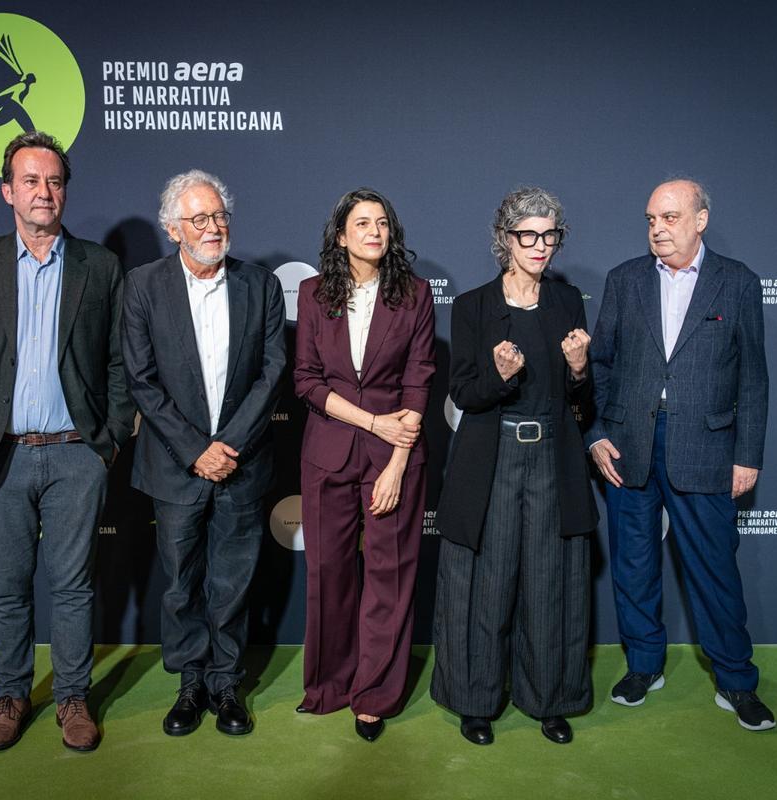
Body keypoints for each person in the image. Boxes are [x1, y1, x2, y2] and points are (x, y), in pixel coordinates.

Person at [0, 130, 134, 752]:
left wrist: (105, 446)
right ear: (7, 192)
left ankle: (73, 699)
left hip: (77, 453)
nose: (43, 191)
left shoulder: (100, 267)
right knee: (8, 586)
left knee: (74, 585)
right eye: (30, 180)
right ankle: (11, 696)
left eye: (53, 181)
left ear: (64, 191)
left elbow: (117, 364)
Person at [587, 179, 775, 731]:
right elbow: (598, 365)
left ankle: (737, 680)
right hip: (629, 446)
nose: (658, 229)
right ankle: (644, 666)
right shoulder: (625, 280)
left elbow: (754, 379)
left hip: (707, 446)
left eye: (669, 218)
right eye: (650, 219)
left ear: (701, 220)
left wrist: (748, 455)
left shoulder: (737, 282)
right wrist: (597, 433)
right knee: (633, 565)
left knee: (715, 570)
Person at [123, 170, 285, 737]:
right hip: (174, 466)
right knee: (180, 584)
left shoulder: (260, 285)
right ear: (174, 229)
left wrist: (230, 445)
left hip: (242, 464)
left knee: (233, 582)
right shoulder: (143, 286)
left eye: (219, 216)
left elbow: (273, 373)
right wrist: (196, 450)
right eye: (200, 219)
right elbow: (142, 381)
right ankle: (190, 683)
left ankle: (225, 684)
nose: (214, 227)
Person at [433, 187, 597, 746]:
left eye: (550, 235)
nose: (541, 245)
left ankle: (549, 699)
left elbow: (581, 399)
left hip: (554, 455)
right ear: (505, 239)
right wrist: (499, 376)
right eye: (529, 234)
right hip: (495, 456)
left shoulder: (568, 300)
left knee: (551, 582)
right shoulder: (474, 306)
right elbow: (463, 394)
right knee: (488, 582)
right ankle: (476, 701)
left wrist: (579, 368)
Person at [293, 188, 435, 742]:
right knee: (328, 574)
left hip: (393, 457)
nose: (373, 231)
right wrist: (373, 423)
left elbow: (419, 379)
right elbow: (307, 380)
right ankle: (328, 685)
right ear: (340, 235)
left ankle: (374, 694)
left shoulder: (415, 295)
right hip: (328, 452)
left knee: (389, 579)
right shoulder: (312, 293)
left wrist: (397, 462)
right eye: (361, 222)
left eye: (382, 223)